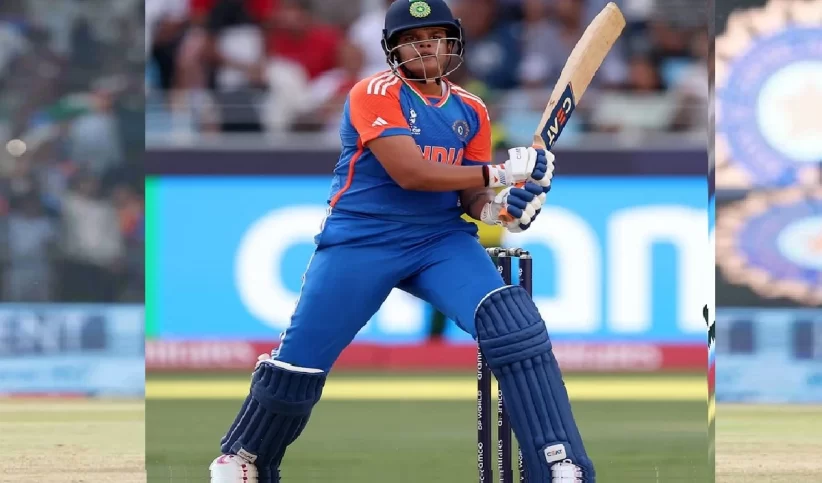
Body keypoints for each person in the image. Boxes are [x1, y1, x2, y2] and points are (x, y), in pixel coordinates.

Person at [209, 1, 594, 482]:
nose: (425, 45)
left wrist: (503, 210)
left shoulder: (471, 109)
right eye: (412, 38)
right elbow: (411, 172)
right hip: (361, 238)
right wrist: (501, 173)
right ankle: (245, 457)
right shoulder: (372, 93)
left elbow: (470, 197)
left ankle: (558, 463)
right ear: (393, 49)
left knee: (514, 324)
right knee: (300, 366)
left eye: (434, 36)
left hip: (439, 240)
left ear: (452, 42)